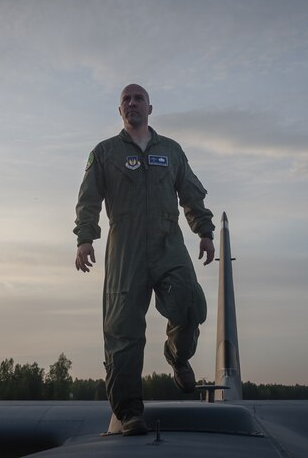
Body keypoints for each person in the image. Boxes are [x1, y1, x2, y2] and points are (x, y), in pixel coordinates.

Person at [74, 84, 215, 436]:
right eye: (126, 99)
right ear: (119, 110)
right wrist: (85, 238)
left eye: (138, 99)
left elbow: (191, 192)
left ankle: (178, 356)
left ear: (150, 108)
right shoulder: (104, 153)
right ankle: (129, 412)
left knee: (189, 304)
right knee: (123, 331)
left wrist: (205, 231)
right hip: (126, 249)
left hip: (169, 244)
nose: (132, 103)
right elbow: (88, 199)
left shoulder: (171, 150)